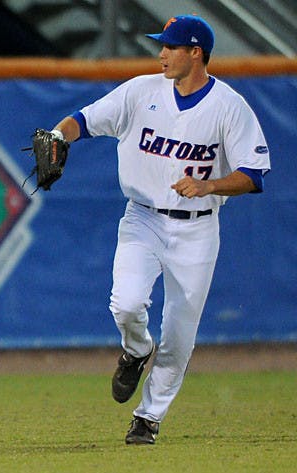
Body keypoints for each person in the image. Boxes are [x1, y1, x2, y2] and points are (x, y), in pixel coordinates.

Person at [48, 15, 270, 444]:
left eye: (171, 46)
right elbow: (84, 119)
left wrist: (209, 185)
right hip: (143, 217)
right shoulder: (141, 91)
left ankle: (148, 417)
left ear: (195, 53)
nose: (161, 54)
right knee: (126, 304)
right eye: (162, 45)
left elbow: (254, 173)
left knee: (180, 334)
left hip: (198, 229)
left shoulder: (229, 106)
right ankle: (136, 349)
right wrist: (59, 136)